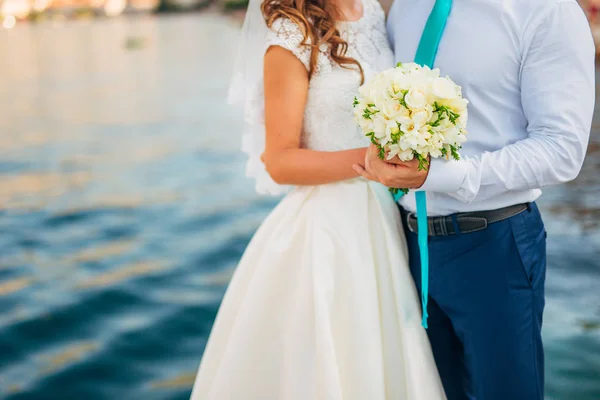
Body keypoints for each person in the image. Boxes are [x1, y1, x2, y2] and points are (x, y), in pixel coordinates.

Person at [188, 0, 447, 398]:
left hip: (385, 217)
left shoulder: (375, 14)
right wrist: (369, 159)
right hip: (330, 229)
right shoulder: (292, 35)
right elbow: (280, 161)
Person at [354, 0, 595, 399]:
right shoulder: (406, 7)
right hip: (404, 244)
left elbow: (561, 149)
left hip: (494, 246)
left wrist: (445, 176)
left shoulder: (547, 10)